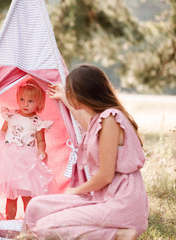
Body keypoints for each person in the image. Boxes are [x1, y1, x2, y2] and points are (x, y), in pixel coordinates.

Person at [22, 64, 149, 240]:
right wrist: (63, 97)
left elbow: (105, 176)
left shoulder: (110, 119)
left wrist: (75, 191)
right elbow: (86, 124)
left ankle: (119, 234)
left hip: (120, 202)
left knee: (45, 228)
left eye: (70, 90)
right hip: (102, 196)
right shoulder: (100, 119)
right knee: (36, 206)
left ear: (82, 94)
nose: (68, 92)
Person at [0, 79, 57, 220]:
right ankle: (9, 220)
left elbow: (41, 140)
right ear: (17, 98)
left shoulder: (37, 122)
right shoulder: (11, 115)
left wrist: (42, 151)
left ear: (39, 103)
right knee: (11, 195)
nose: (25, 104)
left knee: (26, 195)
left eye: (31, 101)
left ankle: (28, 221)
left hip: (26, 162)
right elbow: (2, 133)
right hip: (9, 160)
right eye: (22, 99)